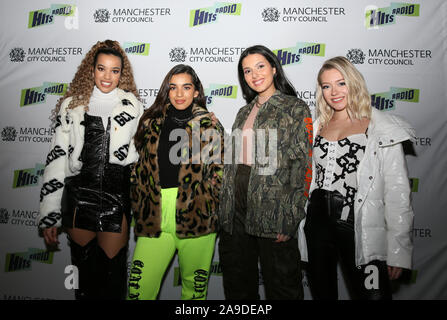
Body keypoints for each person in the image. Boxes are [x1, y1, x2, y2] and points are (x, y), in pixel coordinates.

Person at [298, 56, 415, 300]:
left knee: (373, 294)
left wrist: (397, 250)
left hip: (359, 225)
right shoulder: (318, 125)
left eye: (341, 83)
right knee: (322, 295)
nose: (334, 92)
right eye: (326, 86)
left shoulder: (382, 128)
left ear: (354, 83)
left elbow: (397, 193)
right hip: (317, 225)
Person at [39, 39, 144, 300]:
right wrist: (49, 214)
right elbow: (57, 160)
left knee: (113, 276)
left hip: (115, 195)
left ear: (122, 73)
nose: (107, 76)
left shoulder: (133, 106)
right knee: (84, 279)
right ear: (92, 69)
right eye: (101, 68)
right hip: (79, 195)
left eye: (115, 70)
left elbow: (143, 155)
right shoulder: (71, 106)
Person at [218, 45, 312, 300]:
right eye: (247, 70)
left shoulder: (295, 108)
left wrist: (290, 216)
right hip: (235, 208)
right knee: (238, 284)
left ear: (273, 68)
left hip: (272, 208)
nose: (254, 75)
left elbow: (302, 165)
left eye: (260, 66)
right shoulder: (243, 112)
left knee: (282, 285)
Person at [128, 64, 224, 300]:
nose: (179, 94)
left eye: (186, 87)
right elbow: (138, 167)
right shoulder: (150, 122)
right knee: (138, 289)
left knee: (194, 293)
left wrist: (211, 205)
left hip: (197, 216)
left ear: (196, 92)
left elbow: (219, 173)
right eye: (173, 88)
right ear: (166, 91)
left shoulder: (210, 125)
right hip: (155, 214)